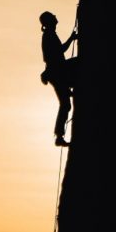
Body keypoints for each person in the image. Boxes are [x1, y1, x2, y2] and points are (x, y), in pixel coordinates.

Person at [40, 11, 78, 147]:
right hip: (58, 73)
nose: (56, 18)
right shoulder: (49, 36)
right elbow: (60, 50)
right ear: (50, 21)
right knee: (65, 104)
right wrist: (72, 38)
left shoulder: (49, 35)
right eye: (54, 17)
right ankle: (59, 136)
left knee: (65, 104)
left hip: (57, 72)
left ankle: (59, 136)